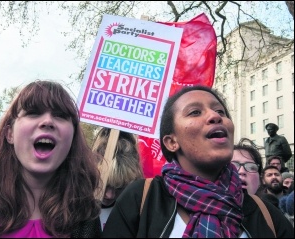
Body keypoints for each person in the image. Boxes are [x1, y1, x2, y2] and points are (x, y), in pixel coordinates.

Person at [102, 85, 293, 238]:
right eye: (194, 112)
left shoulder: (265, 214)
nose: (215, 116)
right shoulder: (141, 199)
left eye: (220, 111)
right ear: (171, 142)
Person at [0, 80, 102, 238]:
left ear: (73, 136)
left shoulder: (87, 216)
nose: (48, 121)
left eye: (61, 116)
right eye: (33, 112)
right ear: (10, 134)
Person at [92, 127, 144, 230]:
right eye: (105, 184)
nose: (110, 195)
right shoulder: (74, 206)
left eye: (120, 187)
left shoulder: (134, 213)